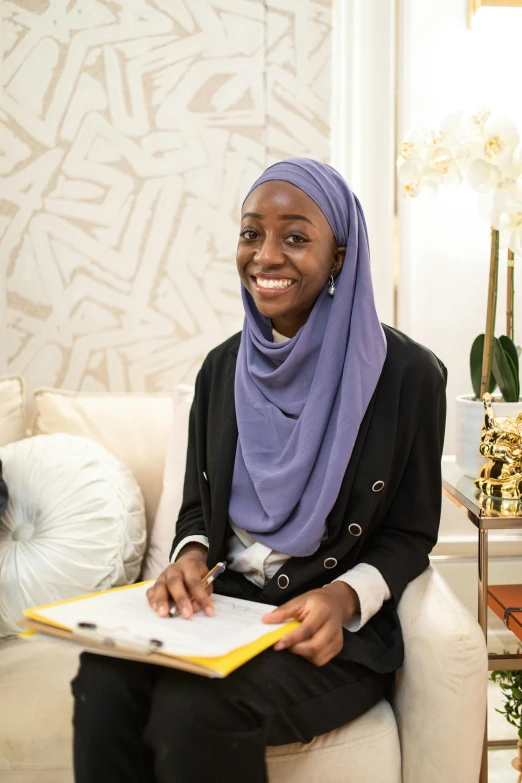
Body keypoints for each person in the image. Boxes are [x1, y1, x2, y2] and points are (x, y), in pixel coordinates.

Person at [71, 158, 447, 783]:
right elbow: (199, 507)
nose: (266, 255)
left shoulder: (405, 375)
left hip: (327, 628)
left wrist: (343, 595)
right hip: (227, 610)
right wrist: (190, 557)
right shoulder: (222, 369)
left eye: (296, 237)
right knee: (105, 678)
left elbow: (410, 533)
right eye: (252, 233)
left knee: (196, 709)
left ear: (339, 257)